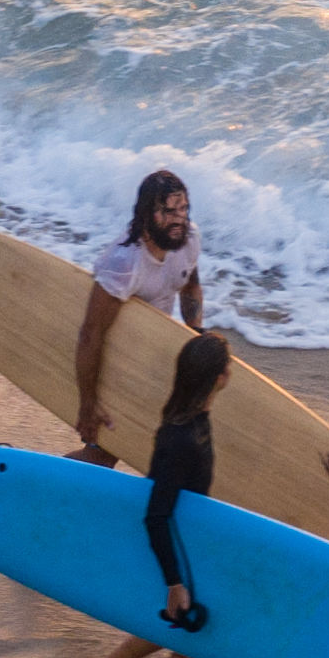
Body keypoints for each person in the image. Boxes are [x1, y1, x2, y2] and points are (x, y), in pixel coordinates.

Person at [74, 328, 228, 658]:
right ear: (219, 378)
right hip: (174, 537)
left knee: (189, 625)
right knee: (194, 631)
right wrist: (174, 581)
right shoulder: (181, 435)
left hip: (186, 535)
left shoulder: (192, 417)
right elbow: (156, 513)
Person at [73, 167, 204, 464]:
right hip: (116, 365)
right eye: (168, 212)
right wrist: (88, 404)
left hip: (155, 361)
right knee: (103, 457)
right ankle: (37, 488)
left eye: (183, 209)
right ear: (146, 214)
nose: (178, 219)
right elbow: (91, 333)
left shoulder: (187, 238)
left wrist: (195, 335)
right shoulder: (123, 263)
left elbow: (191, 284)